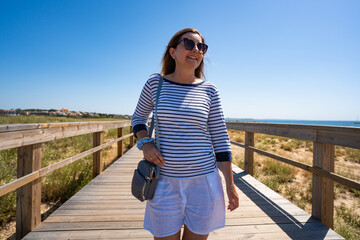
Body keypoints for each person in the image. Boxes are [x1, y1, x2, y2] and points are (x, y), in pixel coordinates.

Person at [132, 28, 239, 240]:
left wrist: (230, 184)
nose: (196, 50)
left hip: (204, 183)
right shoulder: (155, 83)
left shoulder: (210, 90)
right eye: (189, 44)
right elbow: (137, 118)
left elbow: (220, 138)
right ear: (173, 52)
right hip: (164, 181)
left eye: (201, 47)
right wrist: (145, 144)